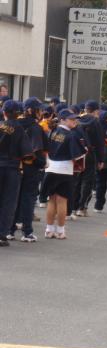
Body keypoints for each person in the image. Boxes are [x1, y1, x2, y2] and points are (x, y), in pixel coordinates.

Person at [43, 109, 87, 239]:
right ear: (62, 120)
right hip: (65, 169)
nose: (74, 121)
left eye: (75, 119)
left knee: (51, 200)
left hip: (50, 167)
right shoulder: (71, 135)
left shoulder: (51, 132)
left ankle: (49, 229)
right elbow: (78, 154)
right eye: (71, 119)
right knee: (62, 201)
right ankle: (60, 231)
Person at [8, 97, 48, 242]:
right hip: (31, 167)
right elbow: (36, 150)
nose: (41, 112)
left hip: (14, 167)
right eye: (39, 109)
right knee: (28, 199)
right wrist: (42, 163)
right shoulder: (35, 127)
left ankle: (10, 230)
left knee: (14, 199)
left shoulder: (15, 124)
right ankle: (27, 232)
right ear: (32, 110)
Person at [0, 100, 33, 246]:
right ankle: (1, 234)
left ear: (4, 112)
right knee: (8, 202)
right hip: (12, 168)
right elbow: (27, 154)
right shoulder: (19, 129)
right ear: (17, 113)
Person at [74, 100, 105, 217]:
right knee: (88, 181)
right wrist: (101, 159)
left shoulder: (77, 120)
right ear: (96, 110)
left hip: (78, 153)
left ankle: (73, 206)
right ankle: (82, 207)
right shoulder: (95, 122)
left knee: (77, 180)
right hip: (90, 154)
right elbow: (99, 142)